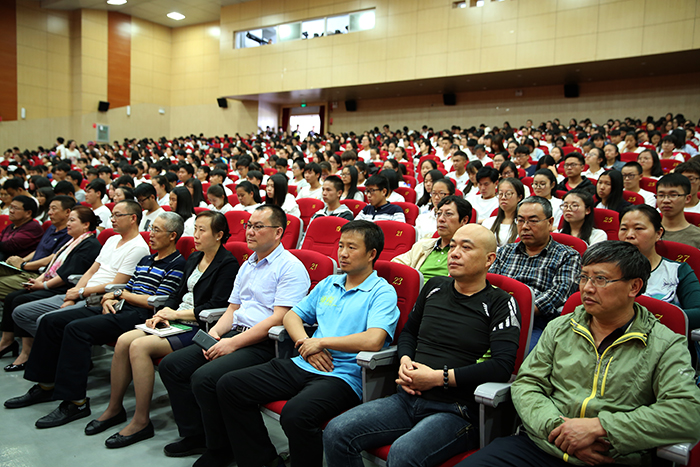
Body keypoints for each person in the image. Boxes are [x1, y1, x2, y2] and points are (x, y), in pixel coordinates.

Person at [458, 241, 700, 467]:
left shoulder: (665, 343)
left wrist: (601, 427)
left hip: (611, 454)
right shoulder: (560, 327)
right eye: (584, 277)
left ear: (634, 286)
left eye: (601, 279)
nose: (587, 288)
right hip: (544, 444)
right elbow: (527, 384)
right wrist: (560, 431)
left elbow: (686, 412)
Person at [325, 223, 521, 467]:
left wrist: (439, 378)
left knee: (403, 453)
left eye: (466, 248)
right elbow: (409, 333)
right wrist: (405, 360)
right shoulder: (434, 287)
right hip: (407, 397)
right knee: (336, 432)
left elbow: (502, 367)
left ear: (489, 259)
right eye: (453, 246)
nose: (454, 253)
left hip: (456, 409)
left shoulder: (501, 303)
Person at [214, 220, 400, 467]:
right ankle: (264, 461)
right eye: (341, 245)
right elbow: (292, 316)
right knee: (230, 385)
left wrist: (320, 342)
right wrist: (306, 343)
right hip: (305, 361)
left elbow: (374, 340)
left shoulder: (382, 292)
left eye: (352, 247)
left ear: (371, 254)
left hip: (343, 375)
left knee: (296, 415)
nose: (343, 253)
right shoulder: (329, 283)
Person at [2, 211, 186, 426]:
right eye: (151, 228)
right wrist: (111, 296)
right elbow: (127, 286)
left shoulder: (177, 263)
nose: (150, 234)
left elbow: (157, 300)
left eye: (156, 230)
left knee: (76, 330)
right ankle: (45, 385)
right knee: (51, 322)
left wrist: (120, 295)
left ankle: (76, 402)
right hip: (118, 305)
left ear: (172, 236)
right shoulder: (147, 259)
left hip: (139, 314)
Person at [157, 205, 310, 460]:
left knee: (205, 378)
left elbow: (279, 318)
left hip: (265, 344)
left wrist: (233, 343)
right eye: (249, 225)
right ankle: (198, 436)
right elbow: (232, 309)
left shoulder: (290, 267)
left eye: (258, 227)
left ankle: (221, 449)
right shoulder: (248, 264)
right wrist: (215, 334)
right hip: (235, 334)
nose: (250, 231)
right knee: (172, 366)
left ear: (278, 232)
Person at [91, 211, 239, 447]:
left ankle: (141, 421)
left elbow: (215, 306)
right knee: (124, 341)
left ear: (219, 235)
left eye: (202, 230)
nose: (195, 235)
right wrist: (162, 312)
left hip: (198, 325)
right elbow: (176, 295)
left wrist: (176, 314)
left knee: (139, 347)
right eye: (195, 229)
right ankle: (114, 408)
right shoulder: (194, 258)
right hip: (175, 318)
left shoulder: (227, 264)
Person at [1, 205, 101, 371]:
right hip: (53, 283)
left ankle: (29, 352)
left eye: (72, 220)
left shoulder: (89, 244)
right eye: (68, 220)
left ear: (86, 225)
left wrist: (43, 285)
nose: (68, 224)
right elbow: (51, 267)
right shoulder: (72, 241)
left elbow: (66, 275)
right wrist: (37, 281)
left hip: (65, 287)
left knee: (19, 300)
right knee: (13, 297)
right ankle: (10, 342)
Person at [489, 196, 580, 348]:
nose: (525, 227)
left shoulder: (567, 255)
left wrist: (519, 310)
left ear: (550, 223)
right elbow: (490, 283)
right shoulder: (506, 251)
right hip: (495, 315)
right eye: (520, 220)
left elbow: (559, 293)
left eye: (533, 221)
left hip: (535, 322)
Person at [619, 204, 700, 342]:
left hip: (662, 342)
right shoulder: (607, 269)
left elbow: (698, 313)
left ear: (658, 233)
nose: (629, 235)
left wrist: (640, 320)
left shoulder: (677, 270)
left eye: (639, 228)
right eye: (623, 229)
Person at [393, 196, 472, 283]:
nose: (441, 219)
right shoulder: (423, 245)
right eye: (439, 214)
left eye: (448, 214)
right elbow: (395, 265)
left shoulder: (469, 252)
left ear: (464, 220)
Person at [657, 173, 700, 249]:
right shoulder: (647, 232)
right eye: (661, 195)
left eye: (673, 195)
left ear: (687, 198)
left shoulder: (697, 236)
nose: (666, 200)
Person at [482, 178, 525, 247]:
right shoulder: (488, 223)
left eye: (508, 194)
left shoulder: (524, 225)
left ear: (519, 197)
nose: (503, 197)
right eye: (500, 194)